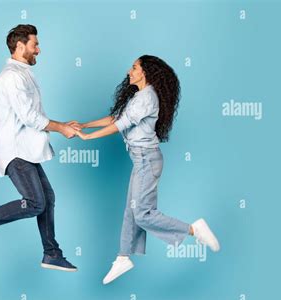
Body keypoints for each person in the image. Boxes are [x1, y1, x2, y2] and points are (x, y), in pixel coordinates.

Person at [71, 55, 220, 284]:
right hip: (141, 160)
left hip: (147, 160)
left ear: (145, 72)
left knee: (142, 213)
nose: (129, 71)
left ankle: (193, 229)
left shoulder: (146, 98)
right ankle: (123, 257)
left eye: (134, 67)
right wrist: (84, 125)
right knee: (132, 211)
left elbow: (120, 125)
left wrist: (86, 137)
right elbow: (116, 117)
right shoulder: (140, 96)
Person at [0, 24, 77, 272]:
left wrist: (64, 125)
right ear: (20, 46)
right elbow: (29, 117)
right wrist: (61, 128)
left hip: (26, 148)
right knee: (35, 202)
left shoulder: (22, 72)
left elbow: (31, 115)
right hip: (15, 148)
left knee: (47, 198)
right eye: (35, 45)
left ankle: (52, 254)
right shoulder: (11, 76)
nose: (39, 50)